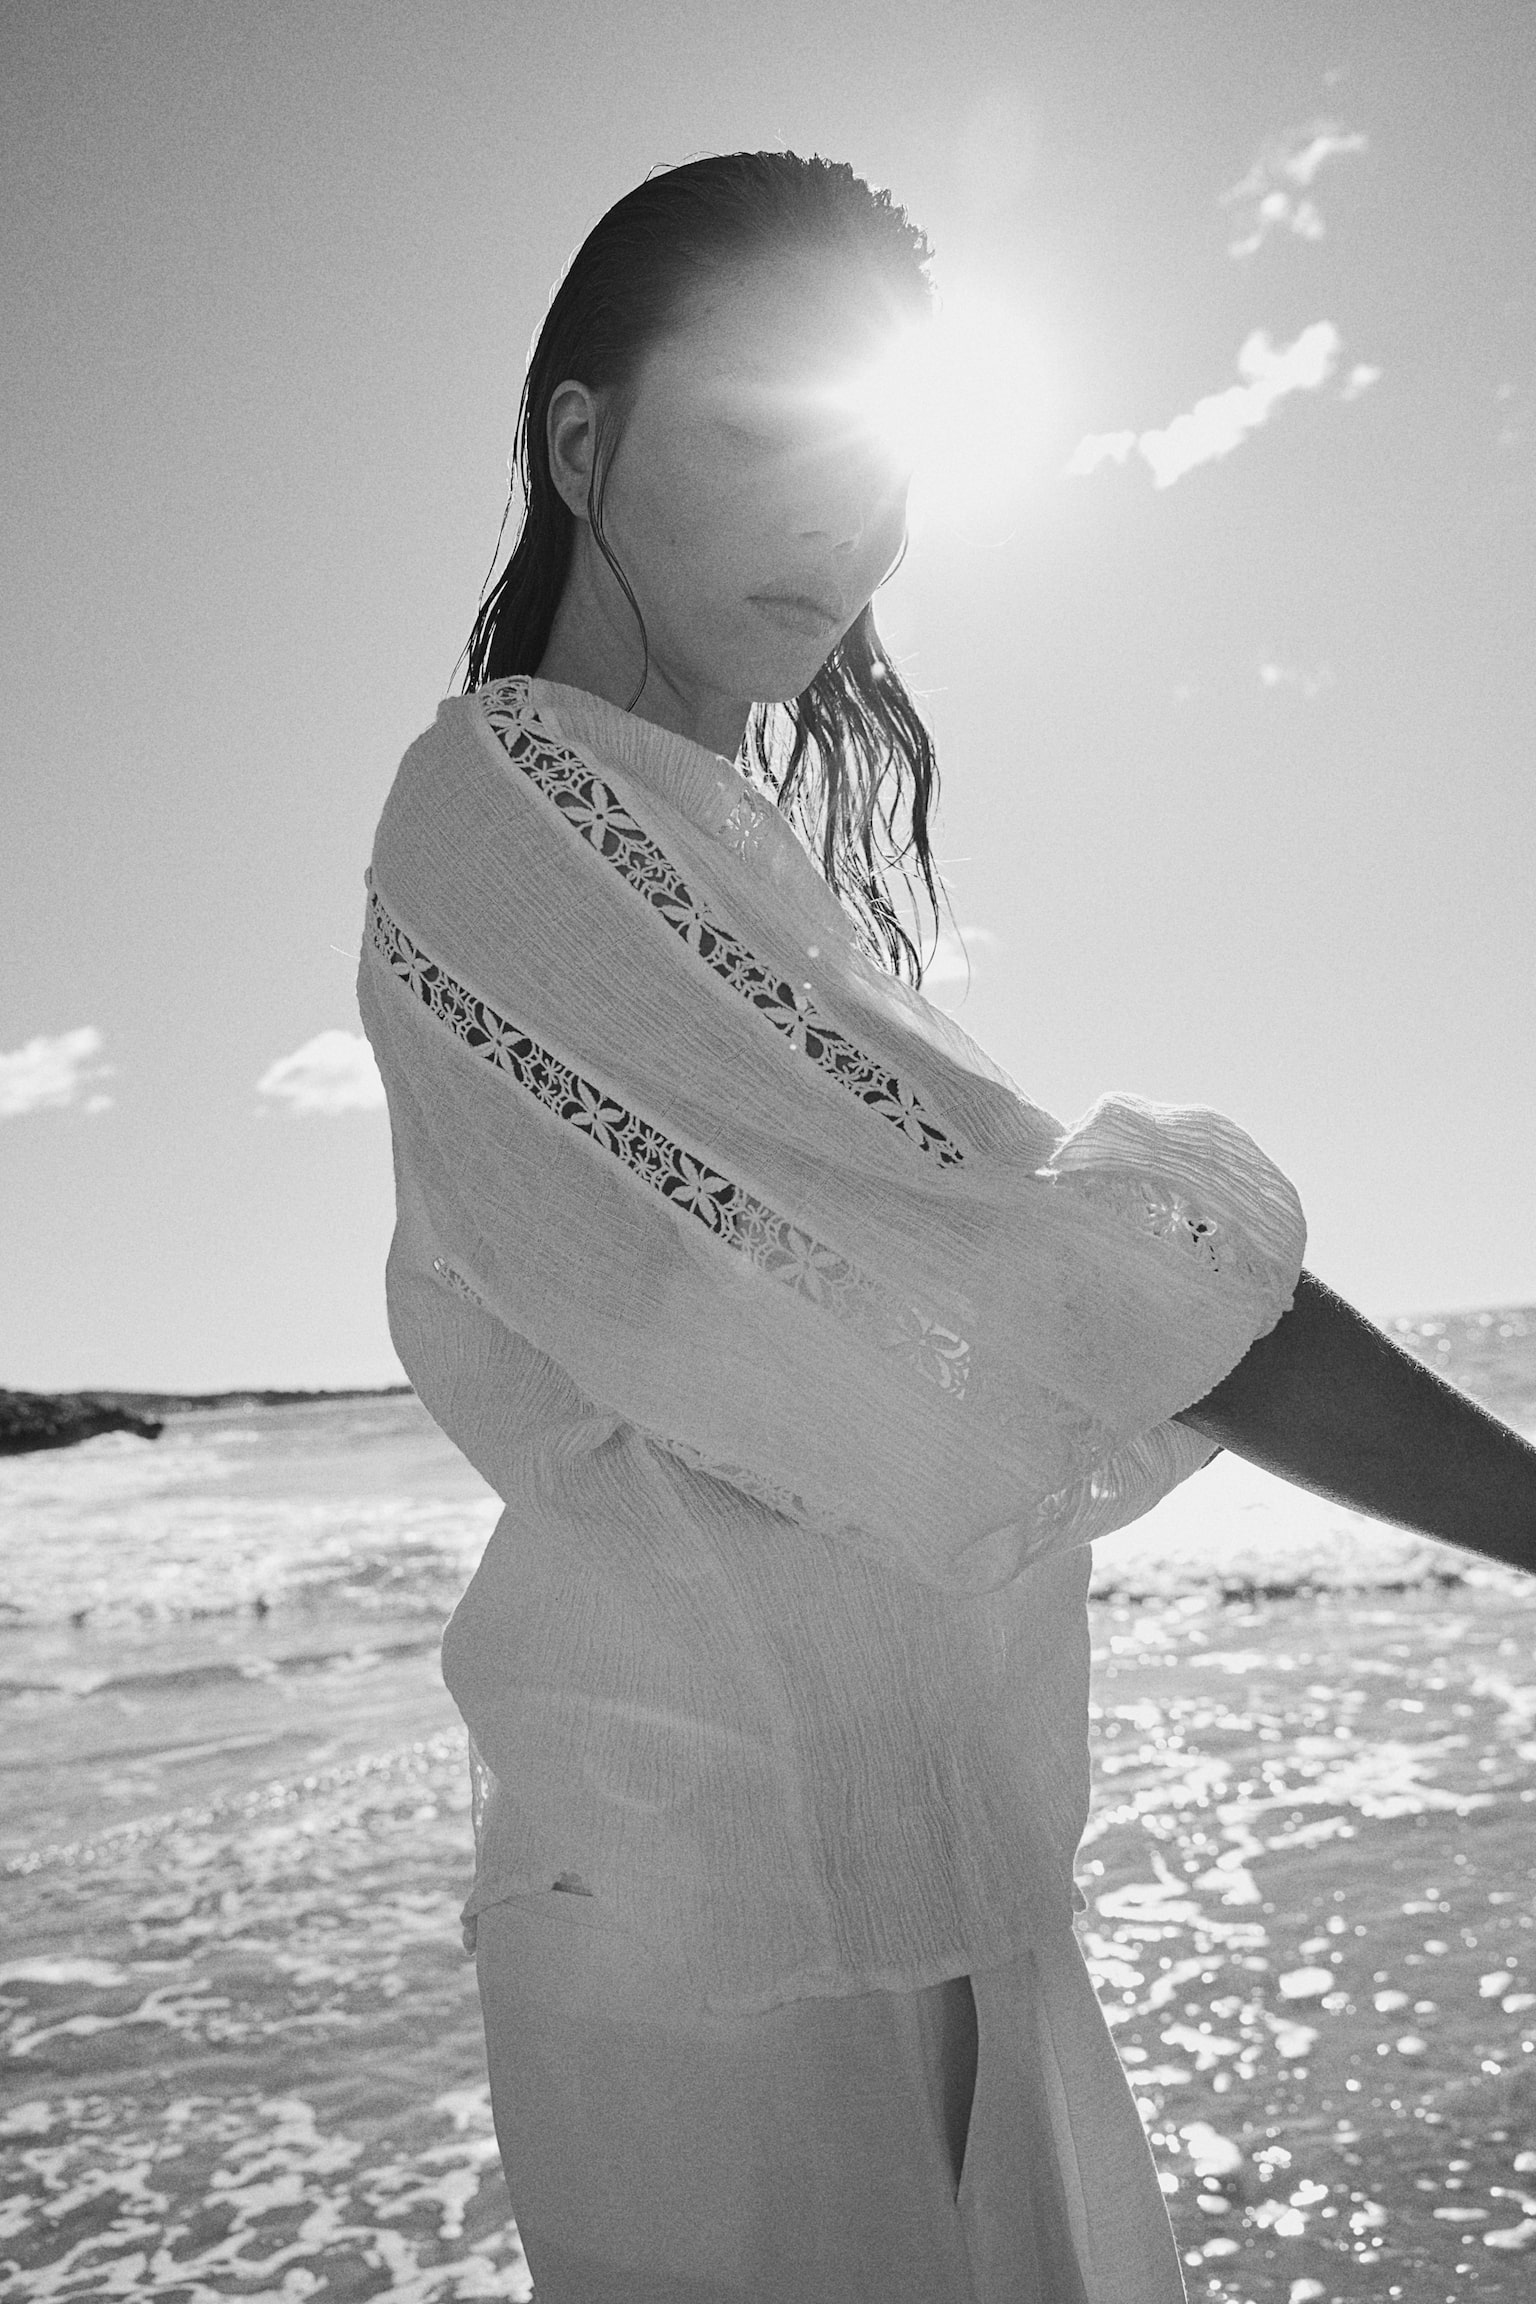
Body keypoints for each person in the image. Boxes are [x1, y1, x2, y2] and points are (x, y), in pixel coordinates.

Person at [358, 151, 1536, 2304]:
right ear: (581, 435)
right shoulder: (515, 808)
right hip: (717, 1932)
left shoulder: (688, 833)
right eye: (759, 436)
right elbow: (1053, 1278)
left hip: (910, 1873)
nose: (841, 523)